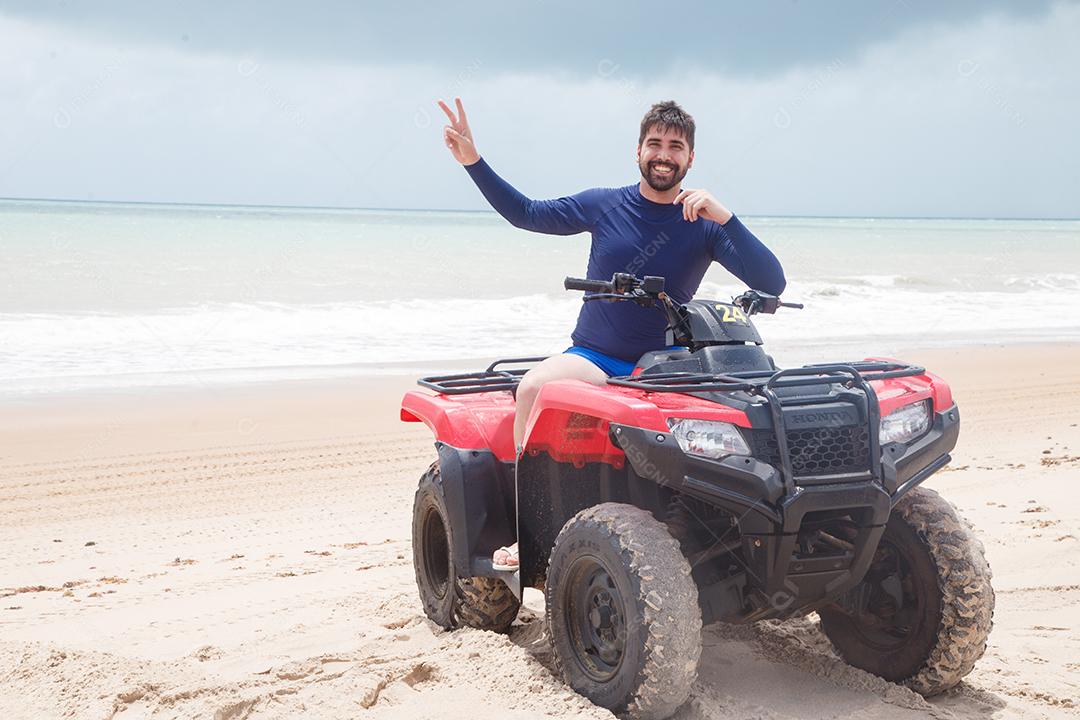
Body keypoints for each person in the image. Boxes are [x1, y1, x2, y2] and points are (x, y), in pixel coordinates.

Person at [438, 98, 786, 571]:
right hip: (596, 357)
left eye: (676, 147)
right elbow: (526, 213)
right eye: (655, 144)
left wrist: (728, 219)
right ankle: (526, 535)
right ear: (638, 150)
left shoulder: (701, 222)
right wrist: (473, 163)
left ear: (690, 158)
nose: (664, 154)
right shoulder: (605, 204)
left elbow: (771, 283)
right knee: (534, 388)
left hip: (666, 368)